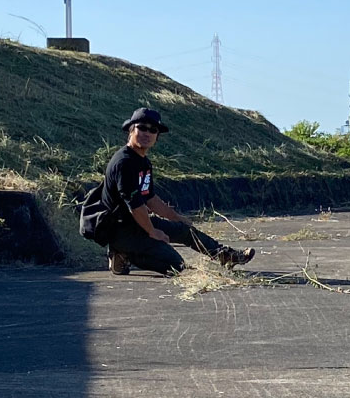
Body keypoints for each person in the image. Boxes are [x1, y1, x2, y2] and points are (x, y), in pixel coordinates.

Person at [101, 107, 255, 276]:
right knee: (175, 265)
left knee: (185, 230)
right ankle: (121, 253)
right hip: (121, 228)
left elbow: (150, 198)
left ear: (157, 137)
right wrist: (153, 232)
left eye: (153, 130)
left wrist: (178, 219)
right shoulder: (124, 162)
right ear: (131, 130)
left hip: (137, 223)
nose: (147, 133)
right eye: (142, 128)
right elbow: (135, 205)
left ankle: (227, 256)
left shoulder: (143, 161)